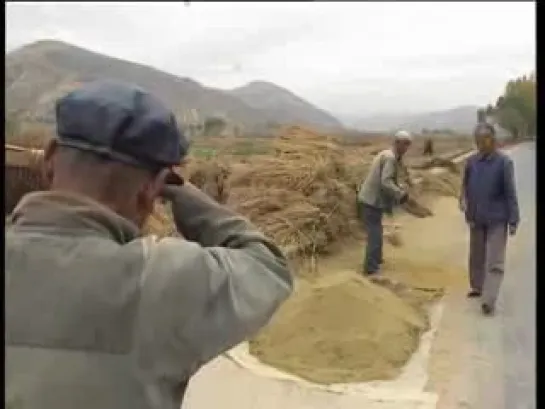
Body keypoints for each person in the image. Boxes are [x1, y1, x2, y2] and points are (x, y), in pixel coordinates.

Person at [5, 80, 293, 409]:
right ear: (151, 190)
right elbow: (267, 267)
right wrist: (183, 194)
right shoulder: (163, 279)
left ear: (51, 157)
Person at [459, 123, 519, 316]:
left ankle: (489, 300)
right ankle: (477, 287)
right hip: (476, 216)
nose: (480, 143)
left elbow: (510, 193)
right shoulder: (471, 162)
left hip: (497, 219)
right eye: (477, 139)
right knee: (476, 256)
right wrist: (463, 201)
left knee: (494, 260)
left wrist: (513, 218)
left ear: (493, 140)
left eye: (484, 139)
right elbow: (465, 186)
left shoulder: (504, 163)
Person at [356, 130, 412, 275]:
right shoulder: (390, 158)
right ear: (397, 143)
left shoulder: (388, 155)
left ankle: (377, 260)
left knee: (377, 231)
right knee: (375, 233)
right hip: (370, 201)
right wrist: (400, 194)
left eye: (408, 144)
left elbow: (389, 180)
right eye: (404, 144)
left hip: (371, 199)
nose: (406, 148)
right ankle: (370, 268)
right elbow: (386, 182)